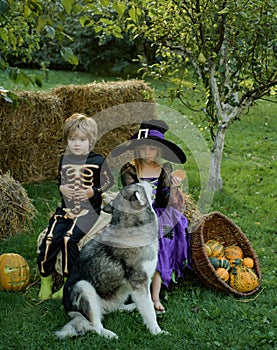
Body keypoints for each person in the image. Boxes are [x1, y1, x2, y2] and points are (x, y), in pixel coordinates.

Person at [111, 119, 191, 313]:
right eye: (144, 149)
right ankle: (128, 289)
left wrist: (172, 188)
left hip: (159, 212)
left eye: (152, 150)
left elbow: (164, 201)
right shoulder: (130, 169)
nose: (147, 153)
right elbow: (132, 197)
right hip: (137, 212)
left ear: (160, 151)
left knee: (161, 243)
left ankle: (154, 297)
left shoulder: (164, 169)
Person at [37, 113, 113, 300]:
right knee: (50, 239)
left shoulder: (98, 161)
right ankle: (45, 279)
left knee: (69, 240)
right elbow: (60, 180)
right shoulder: (65, 160)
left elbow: (108, 182)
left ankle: (67, 282)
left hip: (88, 211)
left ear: (91, 141)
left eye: (82, 140)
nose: (76, 144)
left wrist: (93, 191)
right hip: (66, 210)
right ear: (66, 141)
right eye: (72, 139)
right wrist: (62, 187)